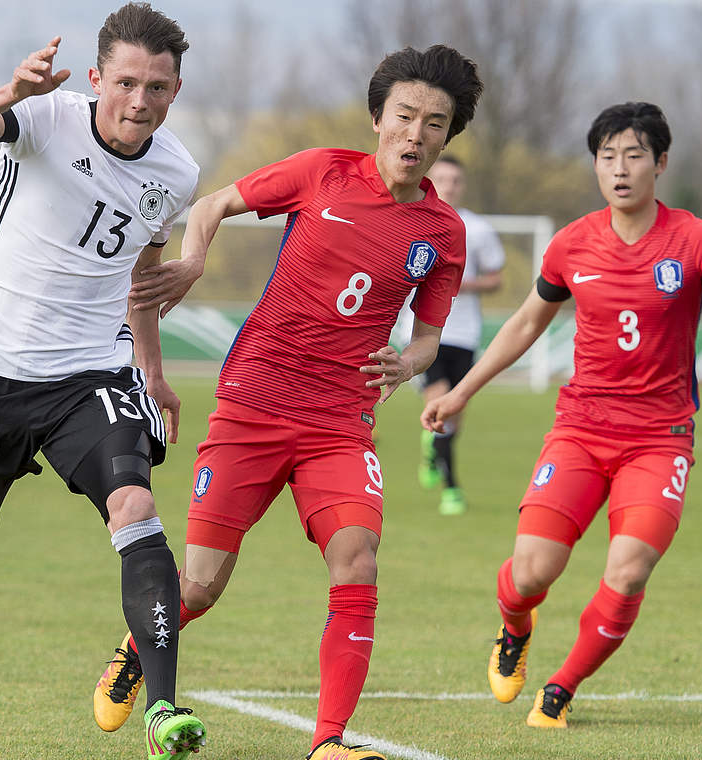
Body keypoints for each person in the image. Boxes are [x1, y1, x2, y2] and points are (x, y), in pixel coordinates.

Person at [93, 45, 484, 760]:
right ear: (378, 118)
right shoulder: (322, 171)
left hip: (340, 423)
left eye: (434, 122)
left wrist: (410, 360)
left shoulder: (443, 235)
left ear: (448, 134)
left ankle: (329, 744)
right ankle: (134, 649)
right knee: (203, 588)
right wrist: (195, 258)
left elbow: (430, 338)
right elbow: (213, 205)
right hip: (253, 404)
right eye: (404, 116)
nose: (415, 134)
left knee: (358, 558)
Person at [421, 102, 702, 729]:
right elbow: (528, 322)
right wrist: (461, 391)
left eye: (634, 155)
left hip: (660, 440)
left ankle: (560, 688)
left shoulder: (696, 240)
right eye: (607, 156)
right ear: (595, 166)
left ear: (660, 163)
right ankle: (514, 628)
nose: (619, 168)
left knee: (630, 569)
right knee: (530, 573)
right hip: (580, 433)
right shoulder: (571, 243)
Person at [0, 5, 205, 758]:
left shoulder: (178, 173)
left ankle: (163, 708)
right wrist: (9, 91)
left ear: (175, 90)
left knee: (135, 506)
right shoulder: (42, 119)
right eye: (127, 82)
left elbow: (141, 277)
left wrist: (154, 373)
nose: (140, 101)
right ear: (97, 77)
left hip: (87, 377)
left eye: (158, 87)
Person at [411, 156, 506, 516]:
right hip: (421, 333)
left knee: (455, 412)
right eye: (442, 179)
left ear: (462, 185)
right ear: (430, 179)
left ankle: (431, 450)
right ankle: (452, 490)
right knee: (442, 408)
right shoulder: (413, 219)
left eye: (455, 180)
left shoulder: (478, 229)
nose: (449, 186)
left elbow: (496, 278)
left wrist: (464, 285)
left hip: (464, 333)